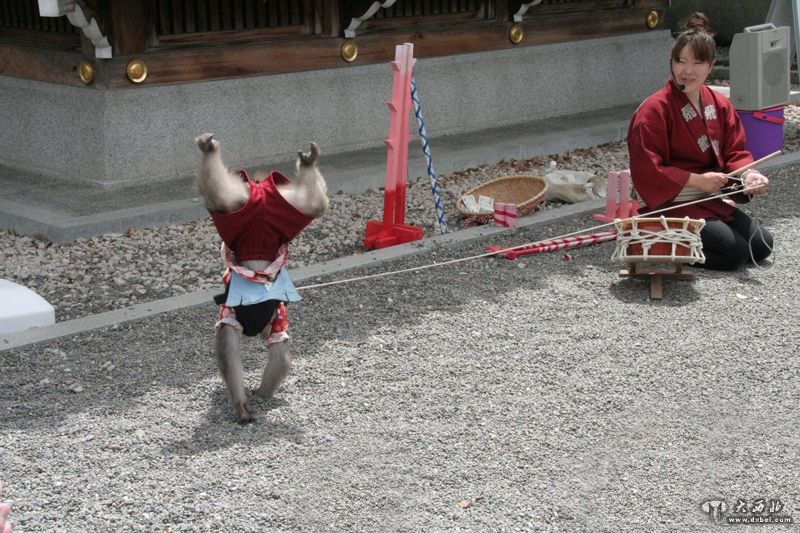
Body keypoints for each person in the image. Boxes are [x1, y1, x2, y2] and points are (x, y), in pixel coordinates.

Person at [627, 12, 773, 270]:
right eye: (680, 61)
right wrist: (696, 180)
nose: (687, 71)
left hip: (705, 198)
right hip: (669, 201)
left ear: (711, 65)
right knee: (734, 254)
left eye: (697, 63)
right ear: (671, 63)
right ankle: (666, 242)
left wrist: (748, 176)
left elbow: (734, 152)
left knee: (762, 245)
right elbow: (647, 167)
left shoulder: (719, 104)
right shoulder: (654, 109)